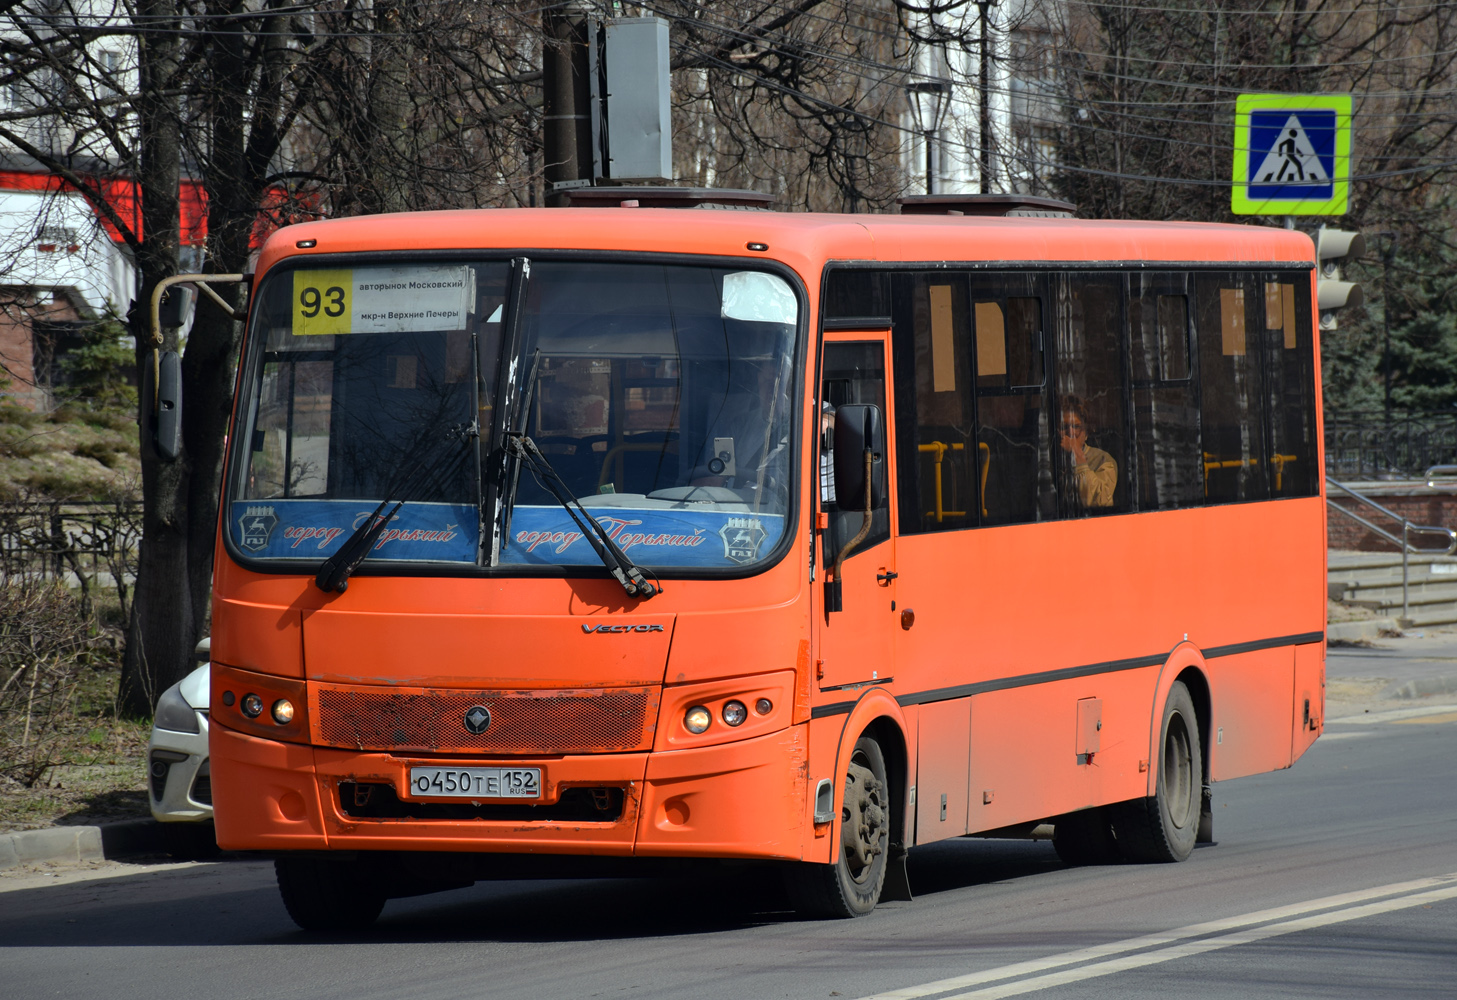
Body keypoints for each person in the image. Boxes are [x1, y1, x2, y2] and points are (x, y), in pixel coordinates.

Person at [1059, 396, 1116, 508]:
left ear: (1086, 433)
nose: (1070, 432)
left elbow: (1098, 502)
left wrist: (1077, 453)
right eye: (1064, 426)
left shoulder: (1103, 460)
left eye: (1076, 426)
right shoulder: (1052, 460)